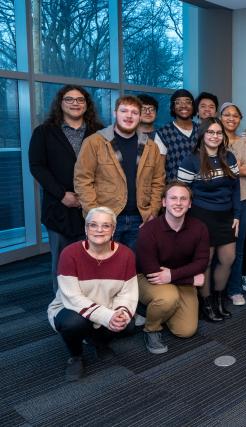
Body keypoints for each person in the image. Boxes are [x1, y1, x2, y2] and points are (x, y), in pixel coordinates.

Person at [47, 207, 137, 381]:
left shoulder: (126, 254)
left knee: (128, 323)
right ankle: (76, 355)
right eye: (93, 225)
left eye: (105, 225)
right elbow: (72, 297)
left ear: (113, 229)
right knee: (73, 323)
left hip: (106, 306)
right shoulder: (70, 253)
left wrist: (120, 313)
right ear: (86, 229)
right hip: (70, 308)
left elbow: (128, 292)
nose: (99, 230)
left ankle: (98, 342)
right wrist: (107, 316)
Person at [28, 84, 103, 294]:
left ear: (86, 104)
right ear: (60, 103)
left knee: (93, 260)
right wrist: (62, 195)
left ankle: (92, 305)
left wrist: (92, 196)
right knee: (63, 262)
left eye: (80, 100)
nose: (75, 103)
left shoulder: (99, 132)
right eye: (69, 99)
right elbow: (37, 166)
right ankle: (62, 308)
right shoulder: (44, 132)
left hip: (93, 206)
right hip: (59, 206)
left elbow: (109, 168)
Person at [74, 95, 165, 252]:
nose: (129, 116)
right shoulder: (94, 142)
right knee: (104, 268)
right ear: (115, 113)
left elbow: (158, 180)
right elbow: (82, 180)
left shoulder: (150, 147)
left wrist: (153, 211)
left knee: (135, 267)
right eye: (124, 111)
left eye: (134, 112)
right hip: (106, 219)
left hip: (140, 219)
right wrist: (95, 215)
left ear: (140, 116)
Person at [136, 181, 210, 354]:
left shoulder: (199, 228)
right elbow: (152, 272)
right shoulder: (148, 230)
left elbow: (201, 262)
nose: (178, 203)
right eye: (173, 198)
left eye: (183, 199)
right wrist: (191, 279)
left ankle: (152, 310)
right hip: (148, 278)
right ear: (164, 202)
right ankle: (152, 329)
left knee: (186, 331)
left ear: (190, 204)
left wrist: (173, 276)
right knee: (169, 296)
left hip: (177, 278)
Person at [178, 117, 240, 322]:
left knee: (228, 258)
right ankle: (206, 303)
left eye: (218, 133)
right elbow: (181, 192)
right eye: (210, 132)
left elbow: (235, 188)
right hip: (201, 217)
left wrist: (237, 215)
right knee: (206, 262)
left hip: (226, 216)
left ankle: (220, 300)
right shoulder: (191, 160)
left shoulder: (229, 157)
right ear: (203, 135)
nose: (215, 136)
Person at [220, 102, 246, 305]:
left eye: (235, 115)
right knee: (217, 247)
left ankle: (234, 289)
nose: (231, 118)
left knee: (238, 246)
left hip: (243, 200)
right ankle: (217, 290)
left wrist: (224, 166)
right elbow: (236, 168)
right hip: (218, 202)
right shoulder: (213, 139)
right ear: (221, 117)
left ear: (240, 119)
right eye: (227, 115)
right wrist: (236, 166)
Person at [155, 89, 199, 181]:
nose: (183, 105)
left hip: (201, 190)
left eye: (188, 102)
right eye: (178, 102)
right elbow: (159, 169)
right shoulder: (164, 133)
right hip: (175, 190)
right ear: (173, 107)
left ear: (193, 106)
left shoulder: (202, 130)